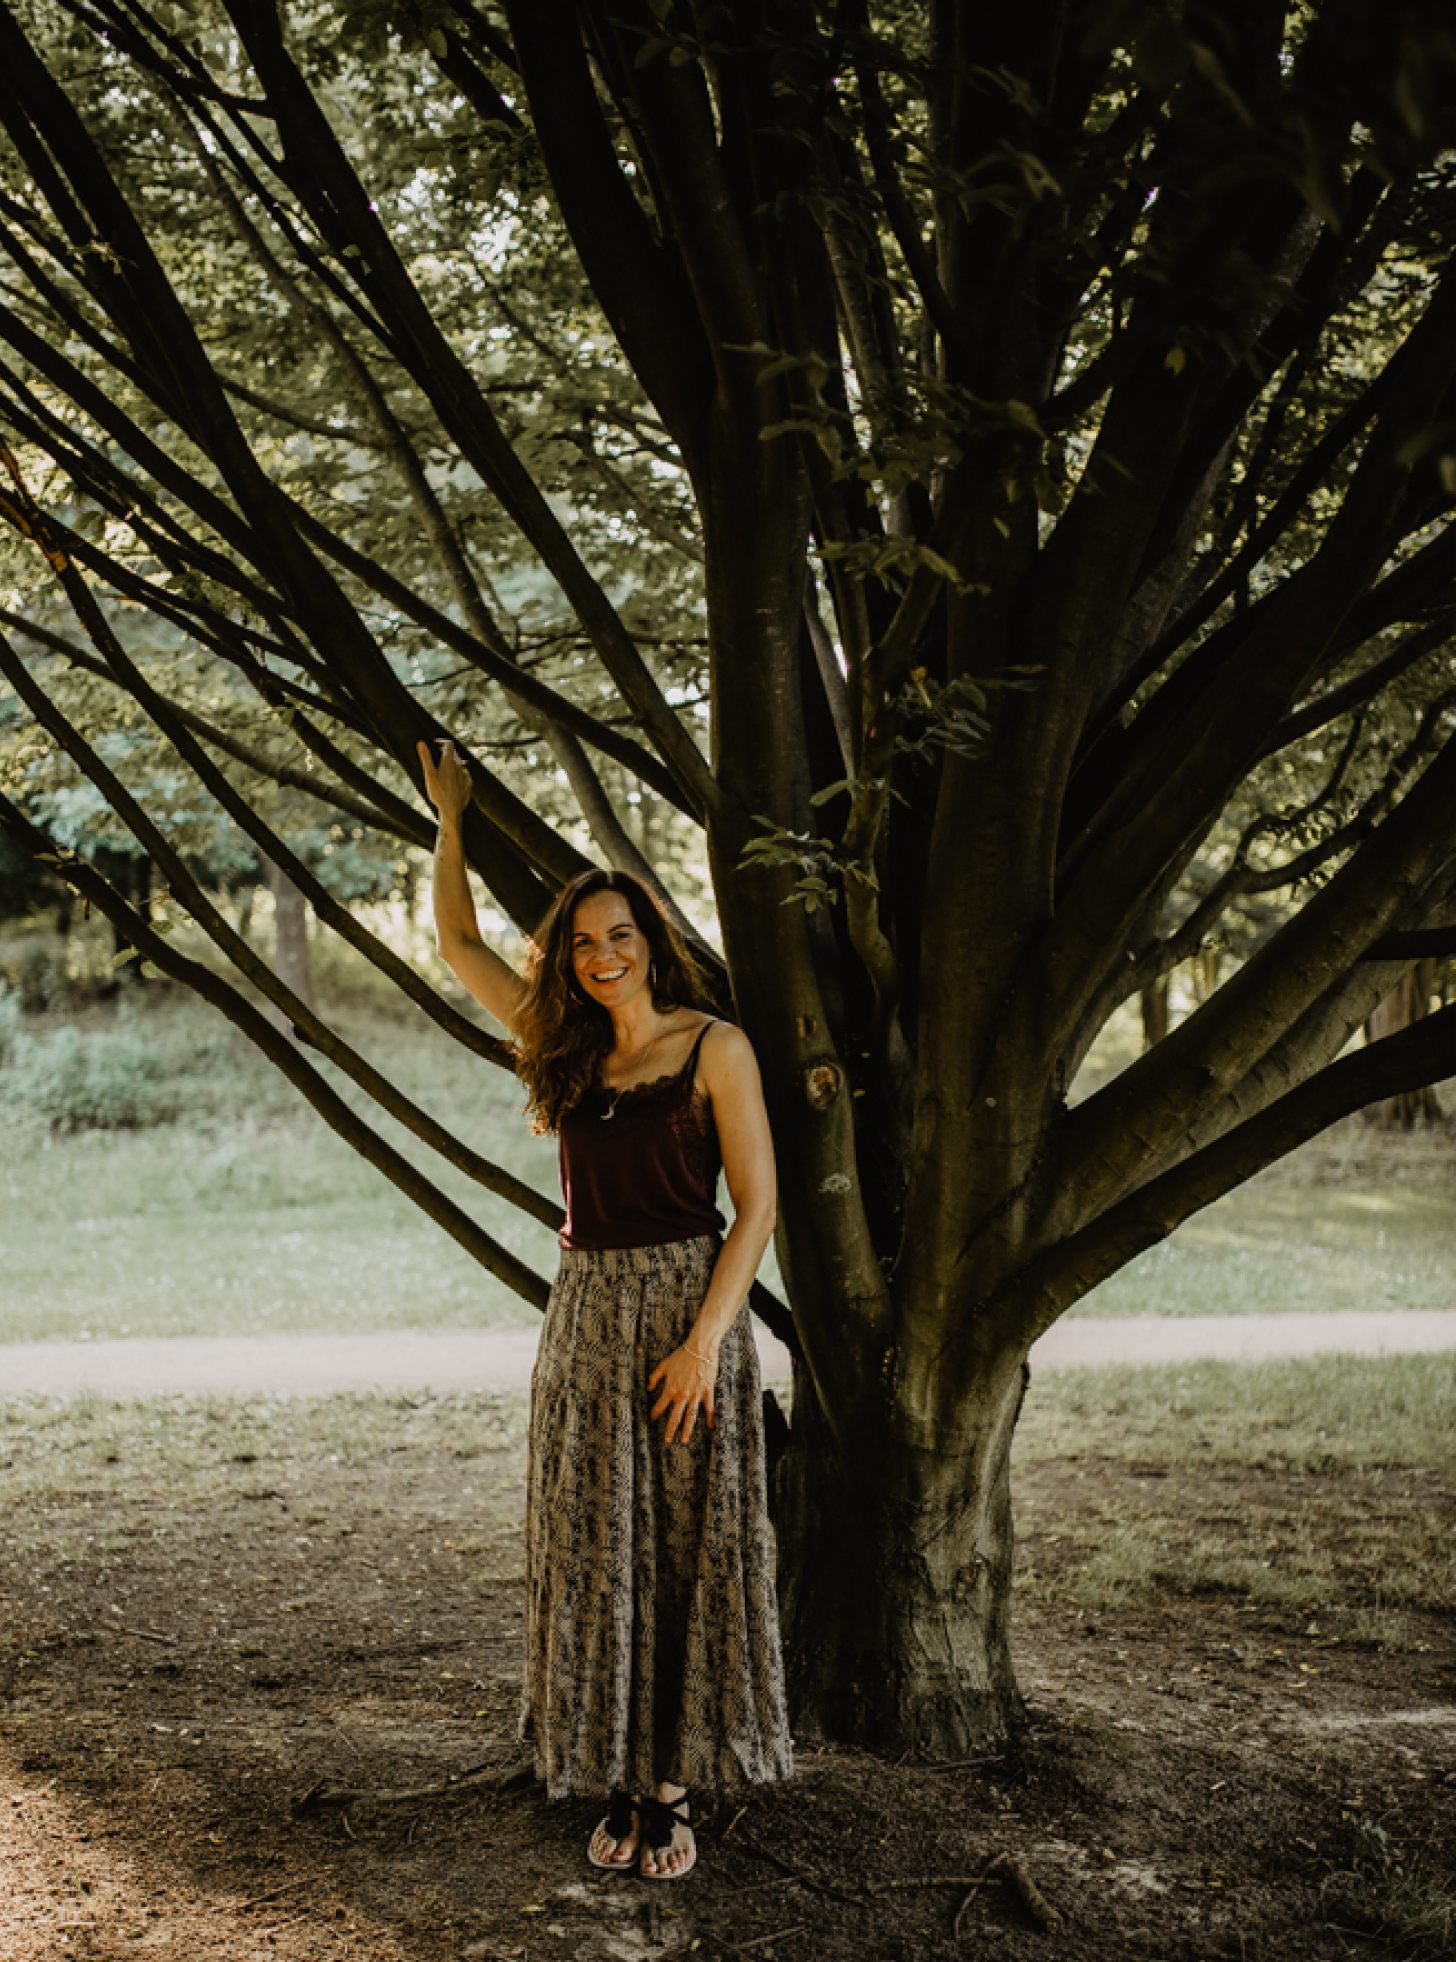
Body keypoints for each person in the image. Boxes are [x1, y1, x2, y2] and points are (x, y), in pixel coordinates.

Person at [419, 739, 792, 1881]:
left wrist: (702, 1343)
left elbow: (759, 1205)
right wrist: (451, 819)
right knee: (599, 1549)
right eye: (583, 944)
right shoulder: (564, 1050)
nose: (602, 955)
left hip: (689, 1314)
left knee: (682, 1549)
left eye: (619, 935)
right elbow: (458, 945)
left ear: (652, 942)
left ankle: (671, 1792)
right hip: (583, 1317)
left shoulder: (712, 1047)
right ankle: (617, 1774)